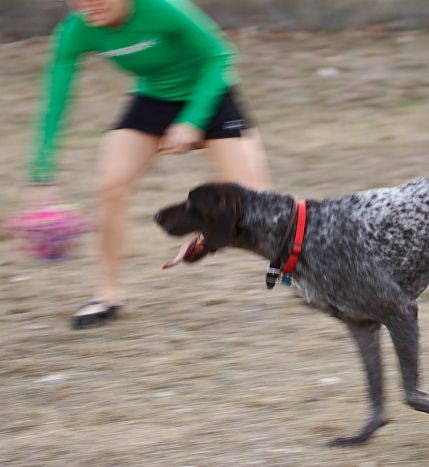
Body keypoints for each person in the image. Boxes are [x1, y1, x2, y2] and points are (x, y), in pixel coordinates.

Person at [27, 0, 271, 329]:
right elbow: (56, 95)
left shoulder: (162, 8)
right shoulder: (77, 29)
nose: (88, 6)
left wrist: (192, 121)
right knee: (110, 187)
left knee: (257, 203)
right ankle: (108, 294)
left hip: (209, 97)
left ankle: (308, 274)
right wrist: (41, 174)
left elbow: (220, 56)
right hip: (153, 100)